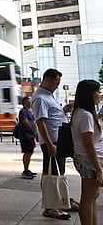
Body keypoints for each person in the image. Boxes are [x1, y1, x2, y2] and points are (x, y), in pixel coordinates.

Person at [31, 68, 78, 220]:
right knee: (51, 174)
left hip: (58, 140)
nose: (57, 86)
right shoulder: (40, 98)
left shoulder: (48, 95)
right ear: (48, 80)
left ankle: (61, 201)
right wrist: (50, 144)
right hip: (52, 141)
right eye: (56, 83)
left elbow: (51, 117)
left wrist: (64, 110)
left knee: (57, 173)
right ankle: (50, 206)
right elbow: (41, 122)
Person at [70, 80, 102, 225]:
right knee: (88, 199)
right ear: (89, 94)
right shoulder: (86, 115)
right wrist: (99, 169)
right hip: (89, 161)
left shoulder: (79, 112)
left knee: (92, 197)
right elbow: (89, 144)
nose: (99, 95)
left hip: (84, 159)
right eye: (97, 92)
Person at [18, 95, 38, 179]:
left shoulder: (29, 111)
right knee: (27, 152)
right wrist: (34, 130)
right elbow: (26, 122)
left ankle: (27, 169)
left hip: (30, 135)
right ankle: (25, 170)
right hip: (25, 135)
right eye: (29, 100)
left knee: (30, 152)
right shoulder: (23, 111)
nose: (31, 101)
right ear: (25, 102)